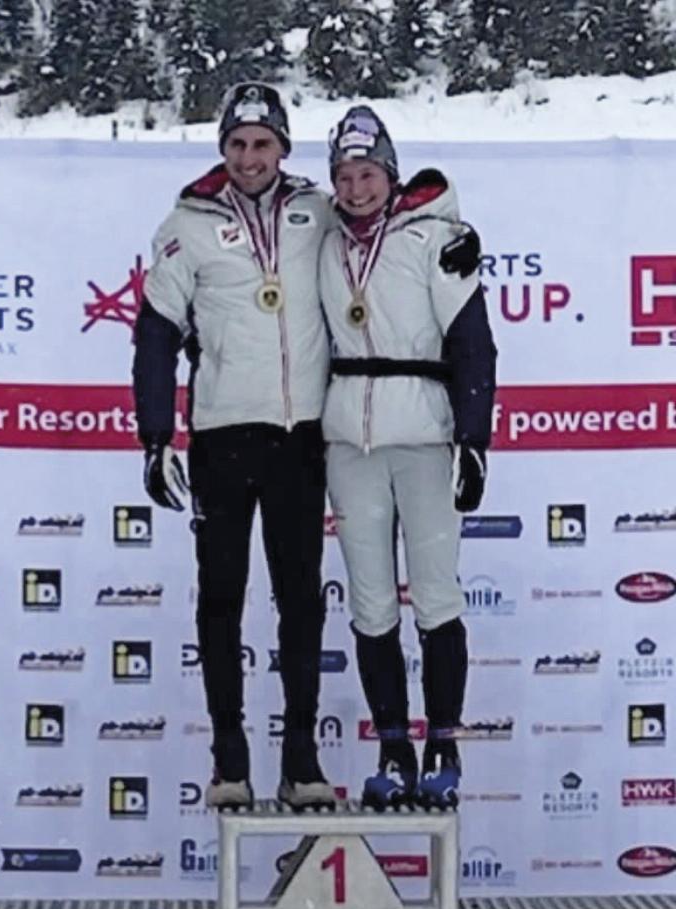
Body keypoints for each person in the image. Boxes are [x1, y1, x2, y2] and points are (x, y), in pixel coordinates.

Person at [131, 82, 337, 810]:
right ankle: (229, 760)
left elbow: (389, 227)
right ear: (223, 149)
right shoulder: (186, 222)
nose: (251, 158)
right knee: (221, 600)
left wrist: (449, 235)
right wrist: (156, 437)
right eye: (238, 144)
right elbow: (155, 333)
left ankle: (303, 759)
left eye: (264, 143)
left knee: (301, 603)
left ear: (285, 145)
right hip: (221, 437)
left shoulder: (320, 212)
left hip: (299, 437)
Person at [319, 106, 497, 810]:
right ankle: (392, 745)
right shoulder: (320, 237)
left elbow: (473, 341)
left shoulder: (435, 236)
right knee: (369, 603)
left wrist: (473, 441)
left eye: (368, 173)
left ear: (389, 174)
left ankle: (442, 742)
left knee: (436, 594)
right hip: (350, 441)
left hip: (423, 435)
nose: (357, 188)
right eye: (344, 175)